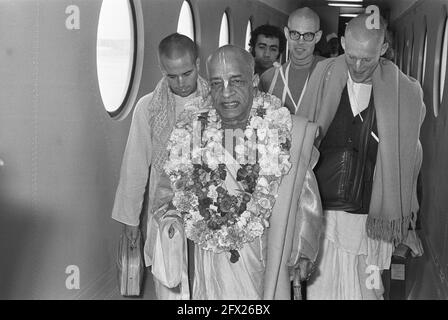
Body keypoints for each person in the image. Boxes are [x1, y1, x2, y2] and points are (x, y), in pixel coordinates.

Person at [159, 45, 323, 300]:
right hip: (207, 263)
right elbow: (170, 192)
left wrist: (302, 251)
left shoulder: (285, 131)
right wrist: (172, 216)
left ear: (254, 81)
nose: (225, 93)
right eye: (216, 83)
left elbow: (305, 196)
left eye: (236, 81)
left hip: (264, 257)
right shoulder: (190, 131)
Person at [297, 14, 425, 299]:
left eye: (366, 59)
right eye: (351, 55)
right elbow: (300, 143)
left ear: (382, 49)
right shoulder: (323, 76)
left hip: (373, 218)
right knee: (322, 291)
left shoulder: (406, 92)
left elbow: (411, 164)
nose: (357, 66)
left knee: (370, 291)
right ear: (342, 42)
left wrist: (410, 225)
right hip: (325, 213)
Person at [111, 33, 209, 299]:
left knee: (206, 287)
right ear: (162, 70)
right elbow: (135, 165)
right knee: (170, 286)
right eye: (172, 76)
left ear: (197, 63)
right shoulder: (148, 107)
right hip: (163, 212)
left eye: (187, 73)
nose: (181, 83)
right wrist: (131, 221)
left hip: (210, 213)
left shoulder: (216, 102)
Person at [259, 7, 325, 115]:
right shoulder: (268, 79)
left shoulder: (329, 73)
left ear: (317, 37)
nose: (300, 41)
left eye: (308, 35)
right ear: (286, 33)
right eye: (295, 34)